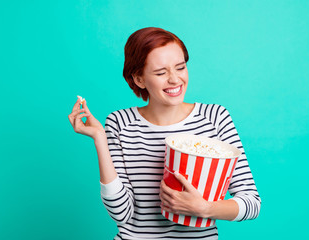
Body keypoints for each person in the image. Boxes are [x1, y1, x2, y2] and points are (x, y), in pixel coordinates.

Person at [68, 27, 261, 239]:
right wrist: (100, 139)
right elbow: (121, 214)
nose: (174, 80)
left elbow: (251, 203)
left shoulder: (215, 118)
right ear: (139, 79)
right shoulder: (120, 123)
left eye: (180, 67)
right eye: (161, 73)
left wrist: (205, 208)